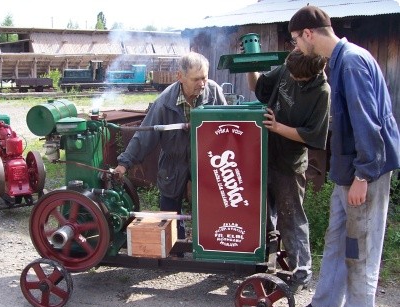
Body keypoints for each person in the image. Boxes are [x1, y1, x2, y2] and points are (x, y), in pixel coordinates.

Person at [288, 5, 400, 307]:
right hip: (347, 172)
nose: (296, 47)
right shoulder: (341, 61)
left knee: (359, 249)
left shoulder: (350, 63)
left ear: (309, 33)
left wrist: (364, 176)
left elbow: (369, 123)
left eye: (295, 39)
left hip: (363, 174)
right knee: (337, 242)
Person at [114, 52, 227, 241]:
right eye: (196, 79)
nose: (202, 84)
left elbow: (227, 126)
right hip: (173, 160)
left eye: (205, 78)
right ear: (180, 77)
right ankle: (175, 247)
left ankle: (211, 244)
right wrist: (124, 163)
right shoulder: (164, 103)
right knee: (169, 207)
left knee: (212, 203)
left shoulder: (214, 92)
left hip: (207, 160)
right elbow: (145, 135)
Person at [245, 49, 330, 293]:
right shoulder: (288, 68)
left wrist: (278, 127)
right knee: (261, 213)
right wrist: (252, 64)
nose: (291, 79)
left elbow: (312, 135)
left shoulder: (322, 93)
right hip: (264, 154)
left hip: (289, 163)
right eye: (290, 74)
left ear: (312, 74)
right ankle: (261, 264)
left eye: (298, 79)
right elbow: (259, 86)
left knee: (291, 217)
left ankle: (301, 272)